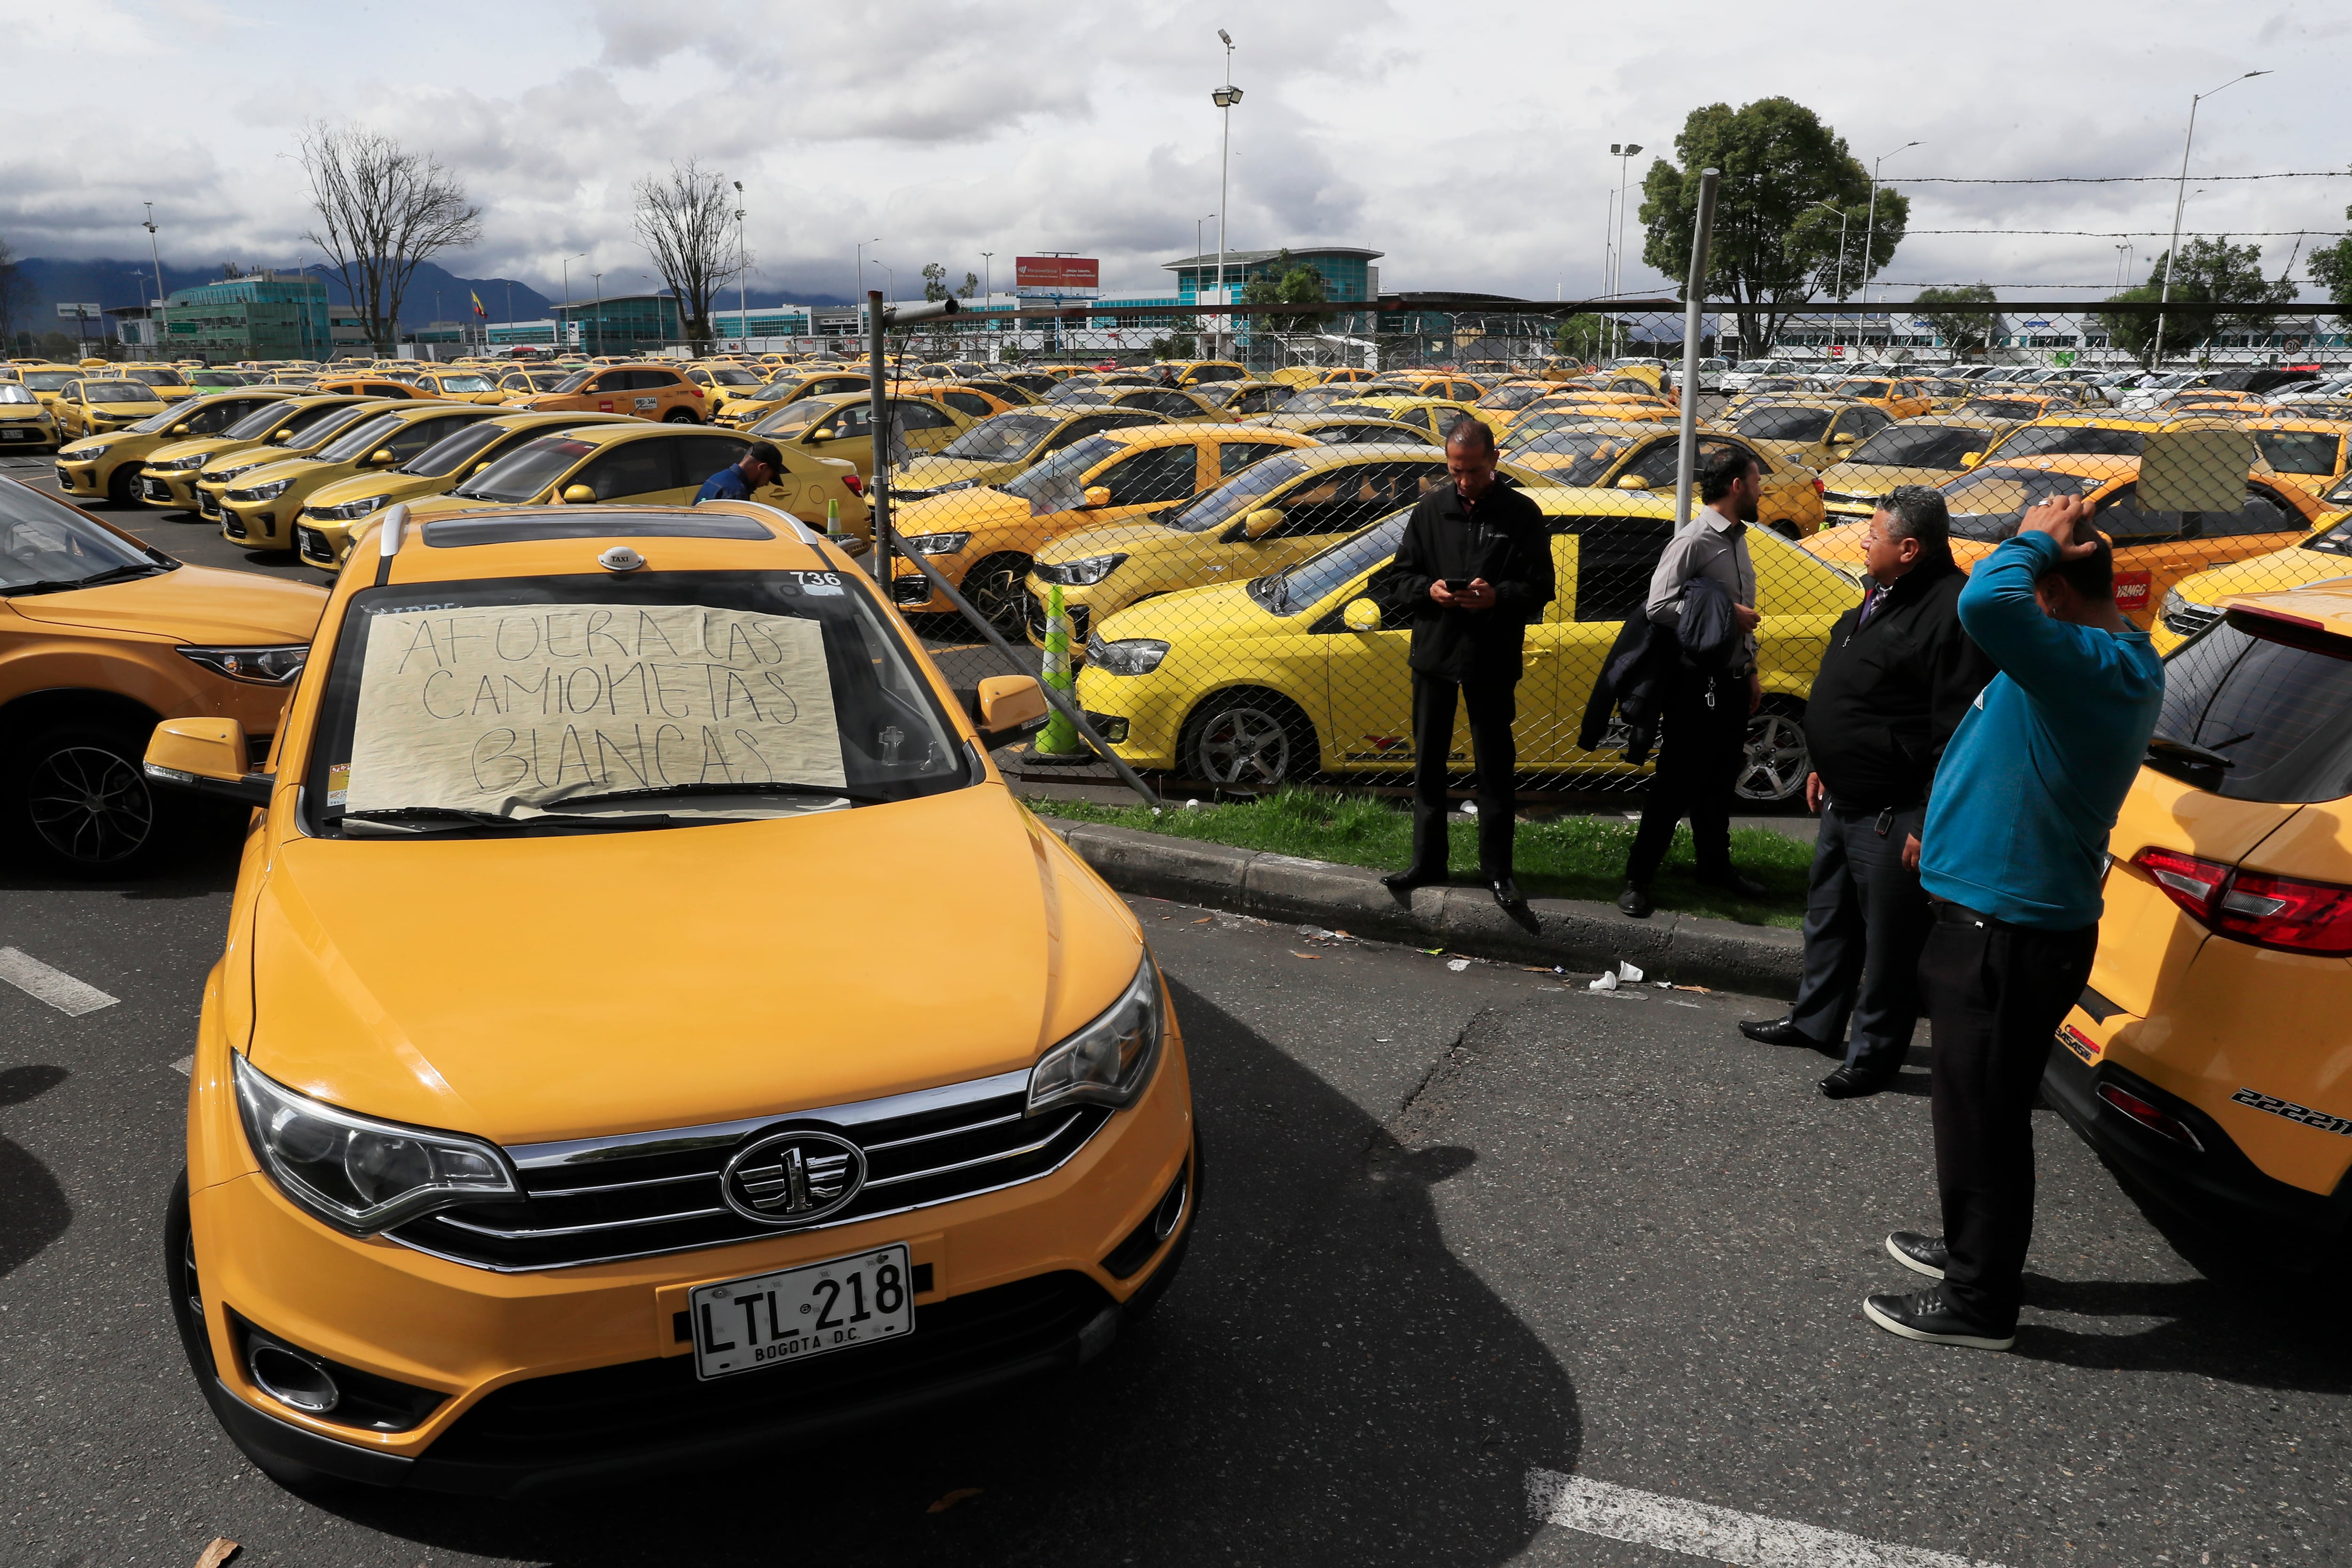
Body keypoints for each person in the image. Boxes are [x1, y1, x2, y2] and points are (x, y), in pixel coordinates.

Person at [1865, 492, 2162, 1352]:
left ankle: (1978, 1300)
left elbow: (1984, 601)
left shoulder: (2090, 664)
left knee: (1982, 1120)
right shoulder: (2093, 657)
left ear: (2056, 598)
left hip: (2006, 933)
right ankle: (1978, 1253)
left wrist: (2033, 539)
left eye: (2033, 580)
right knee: (1983, 1113)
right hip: (2002, 917)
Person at [1740, 487, 1994, 1098]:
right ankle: (1815, 1022)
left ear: (1909, 549)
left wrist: (1930, 819)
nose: (1861, 542)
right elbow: (1860, 690)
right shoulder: (1881, 595)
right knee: (1828, 920)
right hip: (1842, 796)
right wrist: (1827, 760)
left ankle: (1875, 1056)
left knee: (1889, 945)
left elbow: (1958, 733)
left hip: (1894, 809)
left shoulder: (1948, 613)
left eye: (1873, 535)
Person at [1372, 416, 1555, 908]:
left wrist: (1496, 596)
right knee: (1428, 761)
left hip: (1491, 656)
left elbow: (1540, 588)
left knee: (1495, 765)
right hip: (1434, 652)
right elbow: (1398, 580)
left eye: (1472, 471)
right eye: (1454, 471)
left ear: (1493, 461)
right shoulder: (1429, 510)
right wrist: (1428, 591)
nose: (1463, 481)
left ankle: (1497, 871)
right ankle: (1427, 861)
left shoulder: (1521, 513)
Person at [1616, 446, 1767, 917]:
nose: (1762, 489)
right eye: (1756, 480)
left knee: (1721, 780)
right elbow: (1658, 606)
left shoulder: (1739, 537)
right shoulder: (1694, 540)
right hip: (1694, 686)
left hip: (1732, 681)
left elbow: (1738, 622)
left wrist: (1751, 671)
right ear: (1736, 486)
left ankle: (1713, 867)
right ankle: (1637, 879)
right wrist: (1725, 614)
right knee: (1674, 784)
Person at [694, 441, 783, 503]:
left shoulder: (716, 478)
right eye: (770, 477)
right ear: (762, 467)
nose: (767, 484)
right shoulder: (736, 493)